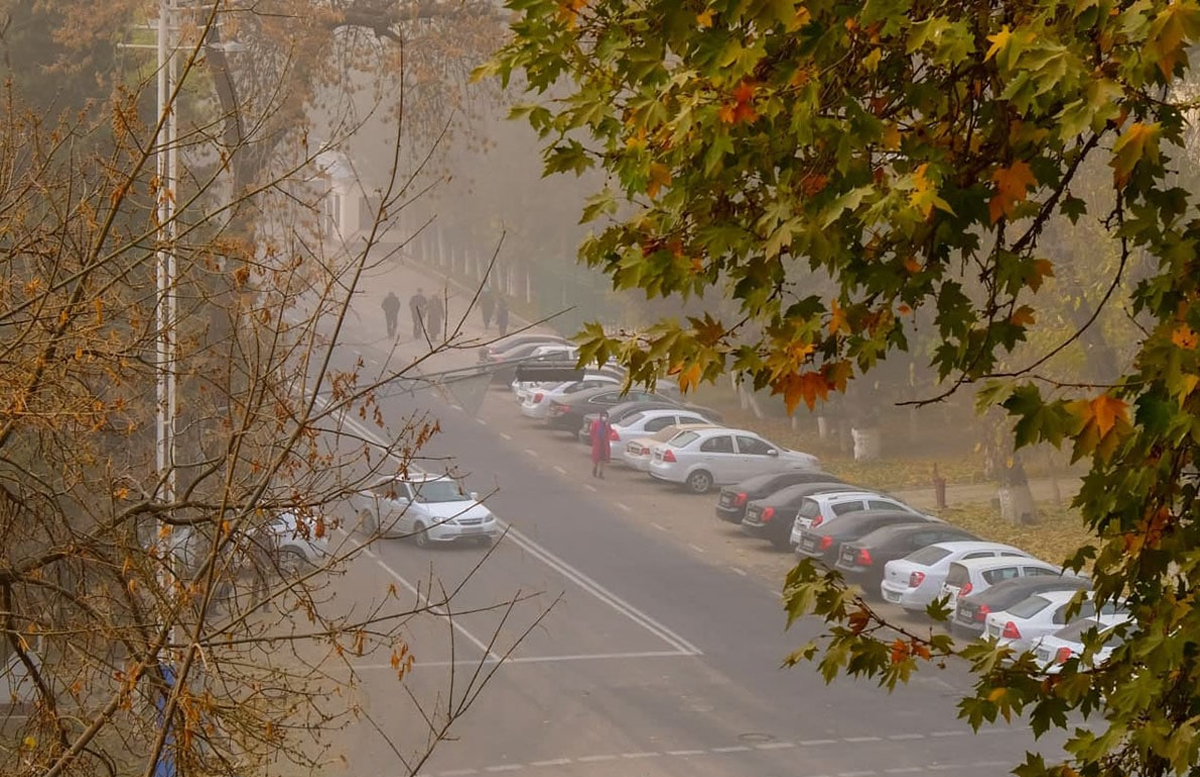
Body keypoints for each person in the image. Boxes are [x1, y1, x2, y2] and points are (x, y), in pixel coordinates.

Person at [590, 410, 612, 478]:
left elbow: (609, 432)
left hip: (604, 444)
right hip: (597, 443)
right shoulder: (596, 423)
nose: (604, 418)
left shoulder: (607, 425)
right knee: (597, 457)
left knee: (603, 459)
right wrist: (594, 440)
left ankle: (601, 472)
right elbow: (592, 432)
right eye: (603, 416)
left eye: (606, 416)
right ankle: (595, 468)